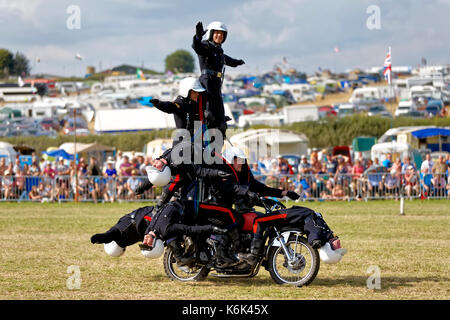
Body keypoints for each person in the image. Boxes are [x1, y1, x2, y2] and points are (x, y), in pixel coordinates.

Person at [192, 21, 245, 136]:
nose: (219, 36)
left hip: (216, 84)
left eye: (222, 34)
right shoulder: (205, 46)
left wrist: (237, 62)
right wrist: (197, 37)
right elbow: (197, 47)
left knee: (221, 121)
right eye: (216, 33)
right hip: (207, 82)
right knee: (209, 115)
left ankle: (219, 138)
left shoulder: (219, 51)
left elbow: (226, 59)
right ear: (210, 34)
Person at [150, 77, 207, 146]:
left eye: (198, 92)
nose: (197, 94)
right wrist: (159, 104)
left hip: (197, 143)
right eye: (195, 92)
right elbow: (171, 106)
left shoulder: (197, 104)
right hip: (182, 145)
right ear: (187, 92)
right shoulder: (180, 103)